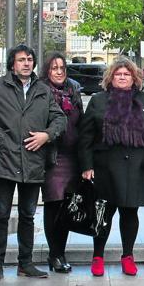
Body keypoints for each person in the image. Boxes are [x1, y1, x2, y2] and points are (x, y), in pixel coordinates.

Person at [0, 44, 66, 282]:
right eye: (21, 60)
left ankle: (26, 263)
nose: (26, 63)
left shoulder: (43, 90)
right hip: (5, 159)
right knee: (2, 214)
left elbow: (59, 117)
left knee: (28, 215)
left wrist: (47, 135)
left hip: (34, 161)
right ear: (12, 64)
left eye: (29, 59)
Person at [78, 59, 144, 277]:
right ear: (111, 77)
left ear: (134, 78)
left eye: (126, 74)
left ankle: (128, 256)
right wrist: (86, 165)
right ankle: (97, 256)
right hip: (105, 167)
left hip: (137, 167)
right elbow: (85, 136)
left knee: (130, 214)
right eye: (118, 74)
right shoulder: (99, 101)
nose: (122, 77)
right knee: (102, 215)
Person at [39, 52, 83, 273]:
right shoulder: (40, 92)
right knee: (53, 205)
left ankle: (60, 252)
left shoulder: (73, 91)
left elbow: (81, 124)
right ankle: (54, 254)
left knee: (66, 207)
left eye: (62, 68)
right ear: (47, 70)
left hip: (73, 157)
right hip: (53, 158)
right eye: (54, 68)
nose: (59, 72)